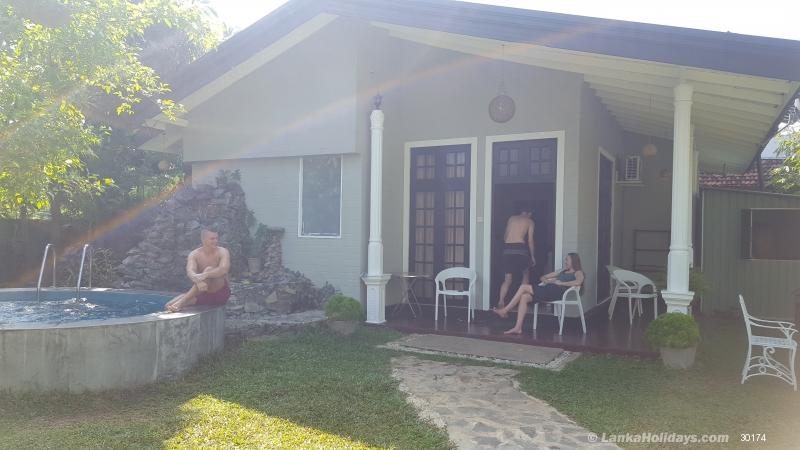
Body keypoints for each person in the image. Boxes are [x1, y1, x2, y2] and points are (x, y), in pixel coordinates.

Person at [493, 252, 584, 335]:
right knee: (524, 297)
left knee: (523, 287)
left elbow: (578, 282)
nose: (565, 261)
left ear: (573, 261)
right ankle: (518, 328)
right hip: (548, 289)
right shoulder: (562, 271)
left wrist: (561, 283)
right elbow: (543, 277)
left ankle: (505, 310)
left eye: (567, 260)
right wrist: (549, 281)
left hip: (556, 292)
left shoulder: (578, 272)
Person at [165, 229, 231, 312]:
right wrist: (198, 281)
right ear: (203, 239)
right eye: (212, 239)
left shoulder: (223, 251)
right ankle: (183, 301)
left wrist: (205, 275)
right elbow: (190, 271)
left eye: (216, 238)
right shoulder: (194, 254)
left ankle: (182, 302)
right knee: (168, 305)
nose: (216, 241)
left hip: (219, 293)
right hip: (202, 291)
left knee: (208, 270)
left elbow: (223, 269)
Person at [497, 203, 536, 309]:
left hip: (508, 249)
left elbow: (505, 236)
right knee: (525, 274)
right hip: (520, 249)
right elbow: (530, 240)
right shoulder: (530, 221)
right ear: (529, 213)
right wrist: (532, 256)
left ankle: (501, 301)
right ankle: (521, 301)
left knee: (507, 279)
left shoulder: (511, 218)